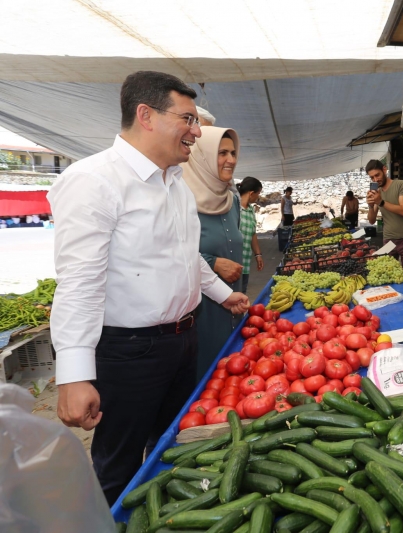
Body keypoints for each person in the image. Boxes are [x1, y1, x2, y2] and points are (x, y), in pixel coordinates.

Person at [48, 71, 250, 506]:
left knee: (172, 452)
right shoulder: (94, 181)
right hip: (129, 354)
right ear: (146, 115)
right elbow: (80, 282)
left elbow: (186, 257)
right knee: (118, 468)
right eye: (188, 119)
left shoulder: (174, 183)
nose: (197, 132)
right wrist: (75, 375)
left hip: (183, 342)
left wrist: (220, 293)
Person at [181, 126, 247, 384]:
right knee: (207, 382)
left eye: (233, 152)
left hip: (233, 304)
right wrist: (213, 263)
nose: (231, 159)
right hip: (202, 313)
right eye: (221, 153)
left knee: (232, 379)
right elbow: (172, 254)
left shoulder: (232, 201)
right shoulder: (183, 201)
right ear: (203, 157)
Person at [365, 160, 403, 281]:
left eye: (377, 175)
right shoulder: (378, 193)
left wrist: (380, 202)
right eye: (372, 177)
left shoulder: (400, 184)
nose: (375, 179)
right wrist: (371, 206)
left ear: (384, 169)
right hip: (388, 240)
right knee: (387, 277)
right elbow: (372, 221)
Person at [238, 176, 264, 294]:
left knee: (242, 292)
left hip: (245, 262)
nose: (258, 197)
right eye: (258, 193)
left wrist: (258, 254)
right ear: (252, 193)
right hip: (232, 261)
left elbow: (252, 234)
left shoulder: (251, 210)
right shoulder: (234, 208)